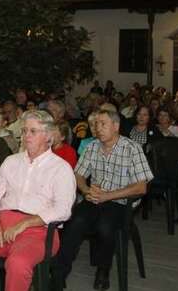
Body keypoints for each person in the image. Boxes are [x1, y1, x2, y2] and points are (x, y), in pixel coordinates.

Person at [0, 111, 76, 291]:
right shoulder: (11, 161)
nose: (26, 136)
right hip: (1, 224)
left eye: (33, 131)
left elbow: (63, 210)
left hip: (39, 230)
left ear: (48, 136)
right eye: (24, 131)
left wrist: (25, 224)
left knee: (18, 263)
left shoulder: (60, 168)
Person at [53, 109, 153, 291]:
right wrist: (86, 190)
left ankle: (103, 270)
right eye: (96, 124)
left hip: (121, 202)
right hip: (95, 198)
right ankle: (59, 273)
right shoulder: (92, 147)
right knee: (74, 220)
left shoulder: (131, 148)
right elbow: (78, 175)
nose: (98, 128)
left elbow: (141, 187)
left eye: (103, 124)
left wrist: (108, 195)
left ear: (116, 126)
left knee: (105, 225)